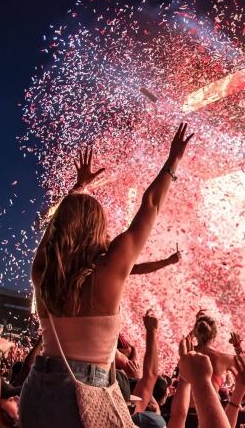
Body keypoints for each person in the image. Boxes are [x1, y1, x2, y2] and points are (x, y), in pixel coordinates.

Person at [19, 123, 194, 427]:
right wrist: (172, 161)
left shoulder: (43, 272)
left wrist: (78, 190)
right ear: (96, 228)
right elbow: (150, 205)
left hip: (37, 391)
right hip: (86, 394)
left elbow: (53, 230)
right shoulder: (108, 272)